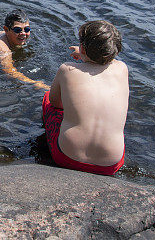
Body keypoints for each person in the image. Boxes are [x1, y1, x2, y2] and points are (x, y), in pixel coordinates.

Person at [42, 20, 129, 176]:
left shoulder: (66, 69)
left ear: (82, 48)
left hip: (67, 157)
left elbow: (56, 103)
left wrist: (83, 55)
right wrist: (86, 54)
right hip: (110, 164)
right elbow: (108, 61)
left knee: (48, 98)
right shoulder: (122, 69)